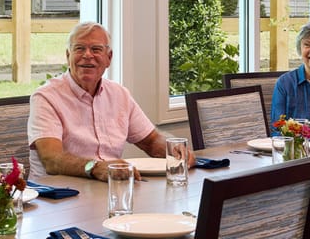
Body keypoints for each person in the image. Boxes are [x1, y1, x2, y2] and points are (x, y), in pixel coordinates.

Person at [28, 22, 190, 180]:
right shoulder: (46, 97)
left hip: (109, 188)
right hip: (57, 196)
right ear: (68, 56)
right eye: (79, 48)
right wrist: (95, 167)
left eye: (96, 49)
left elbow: (152, 141)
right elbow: (52, 159)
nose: (87, 55)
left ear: (109, 58)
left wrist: (174, 150)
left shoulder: (119, 94)